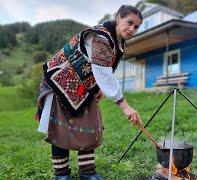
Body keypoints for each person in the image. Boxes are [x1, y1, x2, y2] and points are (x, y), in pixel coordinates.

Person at [34, 5, 143, 180]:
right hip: (61, 81)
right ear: (118, 18)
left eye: (136, 26)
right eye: (129, 23)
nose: (132, 29)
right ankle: (61, 175)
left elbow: (102, 69)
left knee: (91, 126)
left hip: (82, 85)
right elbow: (103, 73)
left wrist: (99, 88)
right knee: (61, 128)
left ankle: (87, 173)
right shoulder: (101, 37)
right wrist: (124, 106)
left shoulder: (119, 42)